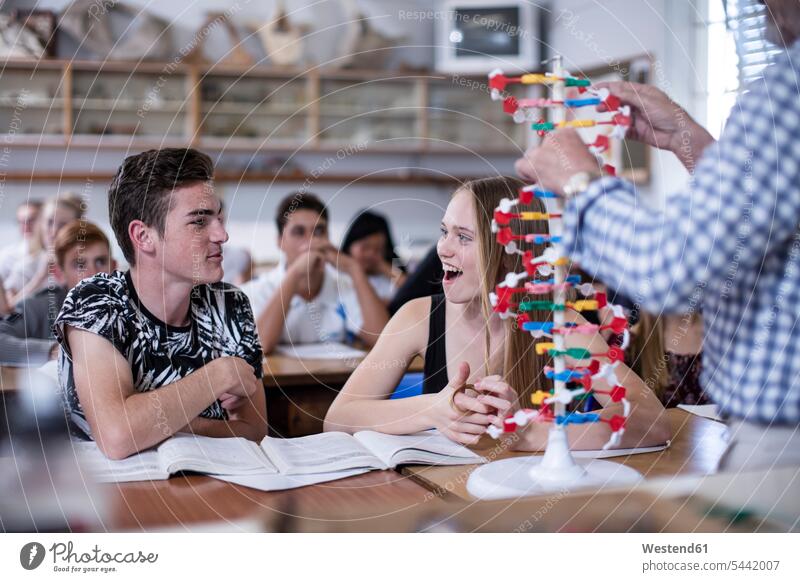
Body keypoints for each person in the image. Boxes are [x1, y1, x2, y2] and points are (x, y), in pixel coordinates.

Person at [514, 0, 800, 470]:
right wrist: (688, 140)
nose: (757, 5)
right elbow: (766, 219)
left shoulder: (787, 93)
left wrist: (581, 183)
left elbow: (669, 274)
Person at [324, 177, 669, 449]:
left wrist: (527, 433)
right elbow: (338, 418)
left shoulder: (557, 322)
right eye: (444, 232)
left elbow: (649, 419)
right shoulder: (418, 316)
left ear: (508, 255)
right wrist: (432, 409)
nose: (442, 248)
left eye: (463, 237)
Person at [54, 148, 267, 459]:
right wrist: (217, 375)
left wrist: (157, 425)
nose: (222, 234)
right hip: (107, 497)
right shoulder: (96, 302)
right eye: (199, 222)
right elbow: (118, 436)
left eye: (218, 218)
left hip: (208, 488)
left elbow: (254, 431)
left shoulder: (230, 305)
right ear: (143, 237)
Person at [242, 192, 389, 354]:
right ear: (280, 241)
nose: (311, 241)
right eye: (299, 232)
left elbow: (382, 338)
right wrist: (295, 273)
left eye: (319, 231)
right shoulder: (255, 291)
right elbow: (261, 345)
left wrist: (355, 270)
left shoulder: (343, 285)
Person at [0, 221, 113, 367]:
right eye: (79, 265)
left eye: (100, 261)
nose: (93, 274)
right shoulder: (36, 307)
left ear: (114, 266)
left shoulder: (130, 308)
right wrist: (54, 351)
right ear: (59, 273)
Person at [6, 196, 84, 306]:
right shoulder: (26, 266)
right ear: (41, 224)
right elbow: (7, 311)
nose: (54, 231)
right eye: (49, 222)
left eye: (63, 225)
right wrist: (40, 277)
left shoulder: (87, 265)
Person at [341, 210, 407, 303]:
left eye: (378, 249)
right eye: (365, 247)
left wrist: (383, 267)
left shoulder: (388, 281)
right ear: (350, 245)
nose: (370, 254)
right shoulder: (337, 275)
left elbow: (411, 290)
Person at [0, 199, 43, 309]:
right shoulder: (7, 256)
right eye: (21, 221)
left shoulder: (54, 255)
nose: (25, 226)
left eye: (31, 220)